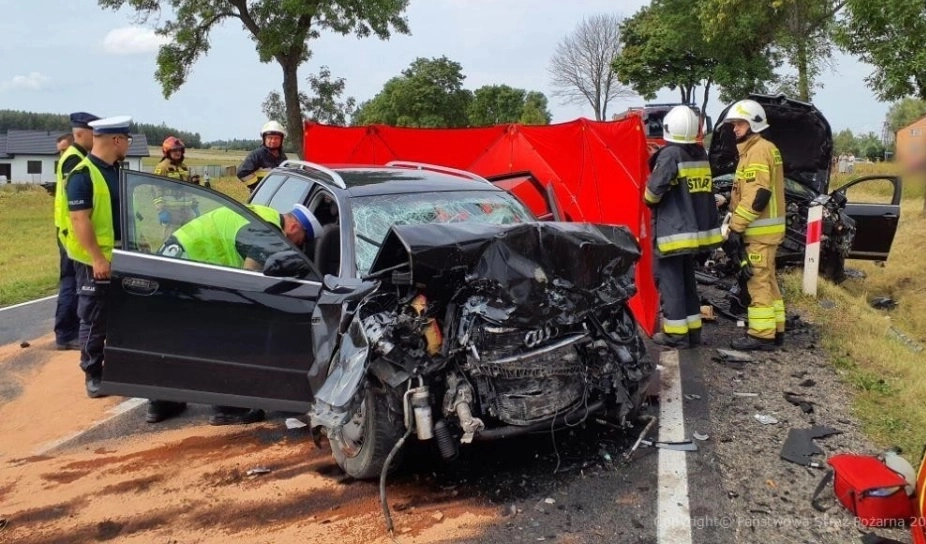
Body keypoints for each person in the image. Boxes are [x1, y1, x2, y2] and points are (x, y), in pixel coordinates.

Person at [145, 202, 322, 425]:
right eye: (302, 241)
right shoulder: (269, 231)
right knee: (232, 334)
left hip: (173, 258)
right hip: (191, 269)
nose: (298, 248)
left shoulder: (262, 213)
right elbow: (249, 276)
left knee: (176, 335)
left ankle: (161, 401)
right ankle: (229, 408)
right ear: (295, 227)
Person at [62, 115, 132, 397]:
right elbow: (80, 219)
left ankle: (120, 366)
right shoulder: (83, 174)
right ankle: (93, 372)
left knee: (122, 313)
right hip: (96, 261)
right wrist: (97, 259)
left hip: (121, 255)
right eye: (126, 140)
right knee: (94, 316)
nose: (128, 144)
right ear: (116, 140)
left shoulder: (116, 171)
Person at [644, 106, 722, 349]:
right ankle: (692, 332)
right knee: (688, 284)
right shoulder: (699, 154)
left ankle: (676, 336)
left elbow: (652, 195)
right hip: (694, 235)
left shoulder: (670, 155)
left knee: (671, 285)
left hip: (673, 234)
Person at [722, 99, 786, 351]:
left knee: (757, 281)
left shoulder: (758, 150)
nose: (734, 128)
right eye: (734, 124)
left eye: (739, 123)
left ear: (753, 124)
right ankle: (776, 329)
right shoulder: (763, 148)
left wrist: (736, 227)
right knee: (768, 281)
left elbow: (758, 194)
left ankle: (761, 334)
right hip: (767, 232)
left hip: (758, 232)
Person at [53, 112, 99, 351]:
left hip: (69, 230)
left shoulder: (76, 155)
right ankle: (66, 332)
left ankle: (70, 329)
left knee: (74, 281)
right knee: (71, 282)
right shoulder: (73, 159)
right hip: (70, 232)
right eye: (94, 133)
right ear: (82, 133)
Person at [152, 136, 199, 239]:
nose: (178, 153)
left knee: (190, 240)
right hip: (171, 213)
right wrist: (161, 211)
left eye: (180, 150)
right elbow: (156, 190)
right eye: (174, 150)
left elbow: (189, 189)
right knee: (171, 242)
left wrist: (195, 205)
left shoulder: (184, 167)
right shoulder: (162, 168)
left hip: (187, 212)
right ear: (167, 151)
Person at [237, 121, 288, 193]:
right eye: (270, 138)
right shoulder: (257, 154)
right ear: (264, 139)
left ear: (281, 140)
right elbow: (242, 172)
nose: (273, 141)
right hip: (261, 197)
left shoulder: (282, 156)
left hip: (277, 195)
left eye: (276, 138)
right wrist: (258, 187)